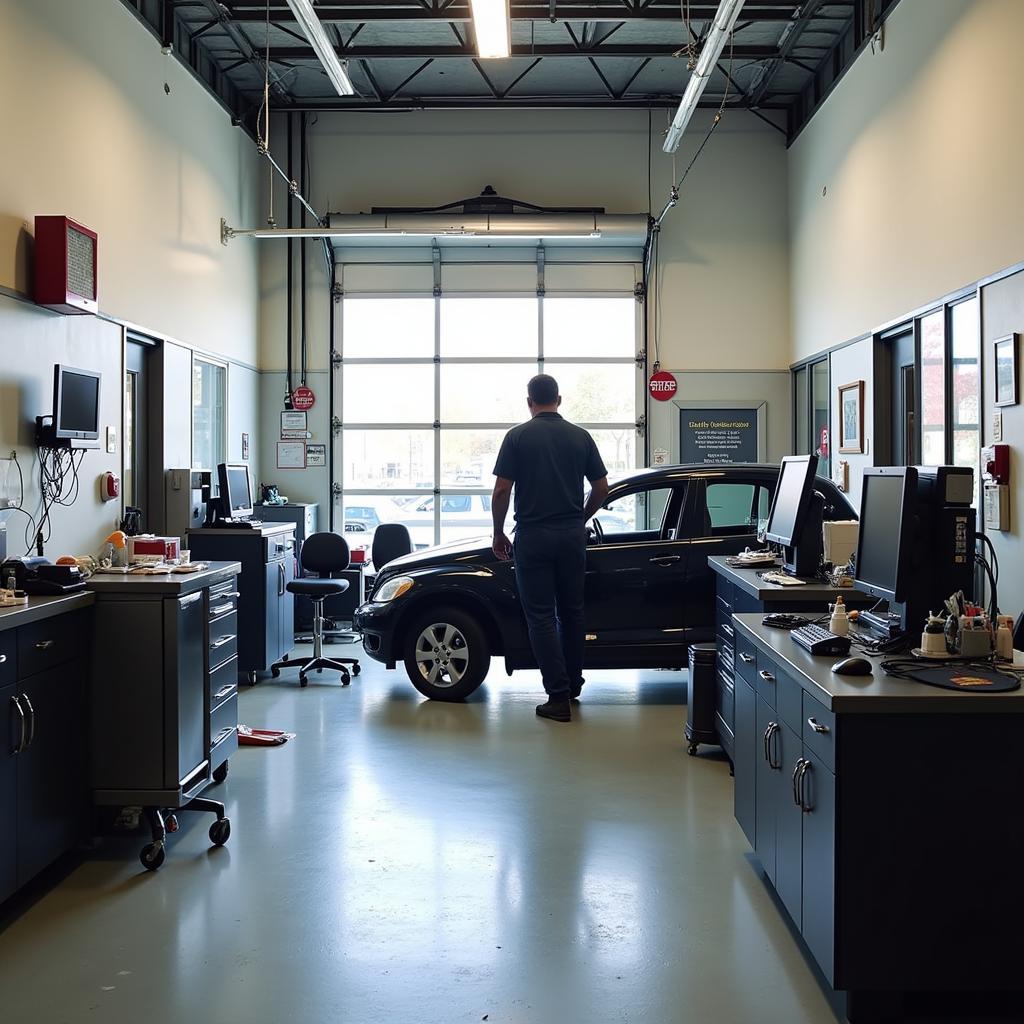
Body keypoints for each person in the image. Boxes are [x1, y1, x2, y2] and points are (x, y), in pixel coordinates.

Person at [491, 374, 609, 723]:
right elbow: (601, 487)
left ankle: (557, 696)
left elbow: (501, 492)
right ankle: (572, 685)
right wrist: (579, 518)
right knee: (572, 612)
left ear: (530, 402)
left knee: (540, 616)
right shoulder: (580, 436)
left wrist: (498, 533)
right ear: (559, 399)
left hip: (533, 536)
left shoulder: (517, 437)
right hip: (571, 537)